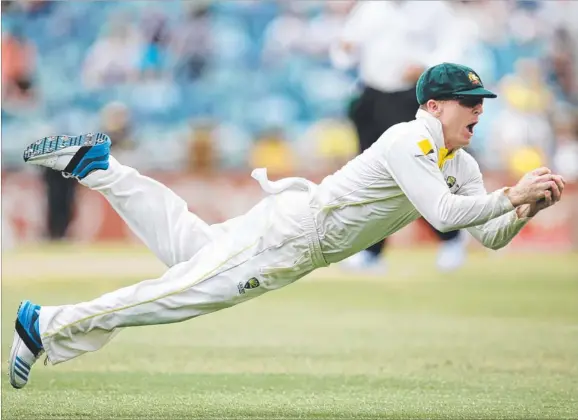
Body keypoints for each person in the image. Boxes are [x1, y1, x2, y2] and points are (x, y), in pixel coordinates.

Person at [9, 63, 565, 389]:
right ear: (437, 106)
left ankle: (97, 167)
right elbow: (444, 216)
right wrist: (507, 195)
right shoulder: (409, 138)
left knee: (186, 247)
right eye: (470, 102)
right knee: (178, 295)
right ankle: (48, 322)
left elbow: (489, 236)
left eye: (481, 102)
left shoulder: (459, 162)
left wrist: (523, 211)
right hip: (291, 239)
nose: (479, 111)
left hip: (294, 235)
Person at [331, 0, 473, 272]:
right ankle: (371, 251)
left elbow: (454, 45)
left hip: (411, 97)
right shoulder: (371, 8)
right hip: (372, 97)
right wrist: (345, 49)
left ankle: (451, 238)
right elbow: (344, 48)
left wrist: (426, 67)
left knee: (418, 174)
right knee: (370, 176)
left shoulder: (433, 8)